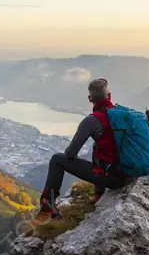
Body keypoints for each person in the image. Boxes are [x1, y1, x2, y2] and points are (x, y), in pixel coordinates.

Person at [32, 78, 135, 224]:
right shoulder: (124, 115)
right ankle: (98, 193)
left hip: (115, 180)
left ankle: (47, 208)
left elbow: (70, 154)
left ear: (90, 99)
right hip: (133, 176)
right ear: (109, 96)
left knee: (57, 159)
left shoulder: (91, 121)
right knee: (99, 148)